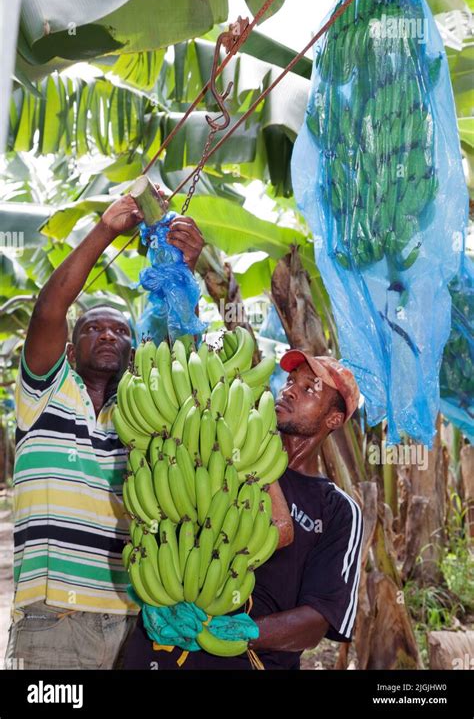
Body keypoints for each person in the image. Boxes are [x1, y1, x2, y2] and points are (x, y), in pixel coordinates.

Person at [5, 191, 207, 669]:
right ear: (70, 351)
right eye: (94, 328)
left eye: (120, 332)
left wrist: (185, 273)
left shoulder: (143, 416)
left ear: (135, 354)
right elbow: (49, 310)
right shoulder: (44, 394)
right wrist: (105, 231)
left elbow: (192, 367)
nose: (109, 335)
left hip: (134, 620)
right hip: (53, 620)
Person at [124, 350, 364, 670]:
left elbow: (319, 618)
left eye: (310, 389)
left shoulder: (337, 510)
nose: (289, 390)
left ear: (333, 419)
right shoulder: (213, 456)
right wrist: (149, 594)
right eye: (291, 381)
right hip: (156, 654)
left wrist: (240, 632)